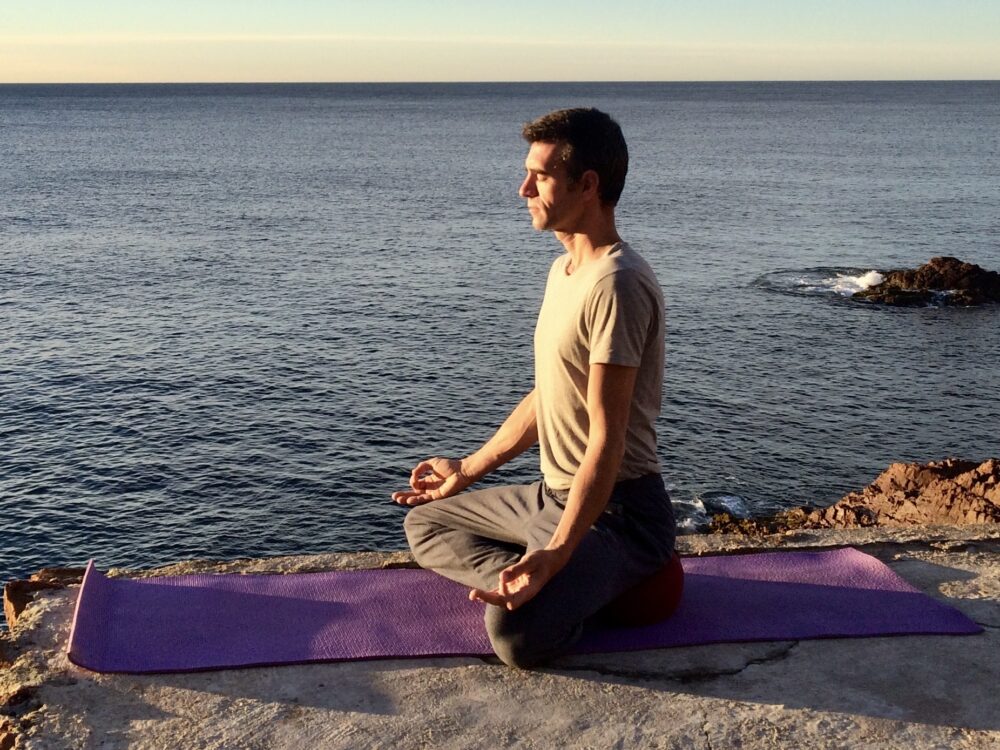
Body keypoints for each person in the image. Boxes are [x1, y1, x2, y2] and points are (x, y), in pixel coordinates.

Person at [392, 107, 675, 668]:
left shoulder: (617, 284)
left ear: (587, 185)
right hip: (550, 496)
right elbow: (550, 397)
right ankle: (550, 580)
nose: (523, 188)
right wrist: (466, 470)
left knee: (514, 638)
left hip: (620, 512)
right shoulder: (563, 272)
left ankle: (579, 578)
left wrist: (558, 551)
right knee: (424, 524)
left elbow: (606, 438)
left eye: (539, 176)